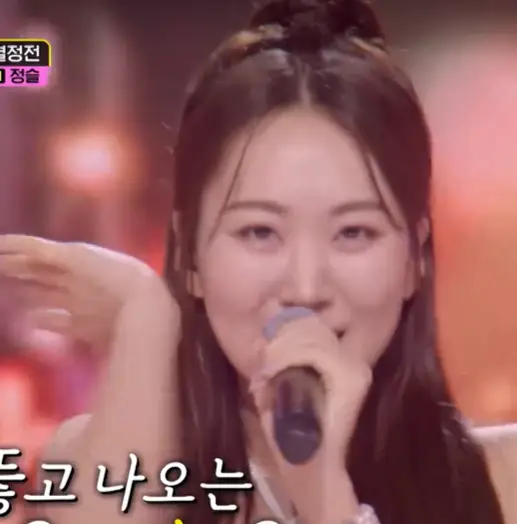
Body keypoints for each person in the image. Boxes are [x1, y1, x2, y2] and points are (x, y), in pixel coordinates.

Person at [2, 0, 516, 523]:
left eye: (354, 232)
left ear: (413, 260)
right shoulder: (103, 461)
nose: (305, 287)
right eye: (259, 232)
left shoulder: (506, 478)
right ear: (191, 255)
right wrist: (149, 323)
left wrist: (322, 492)